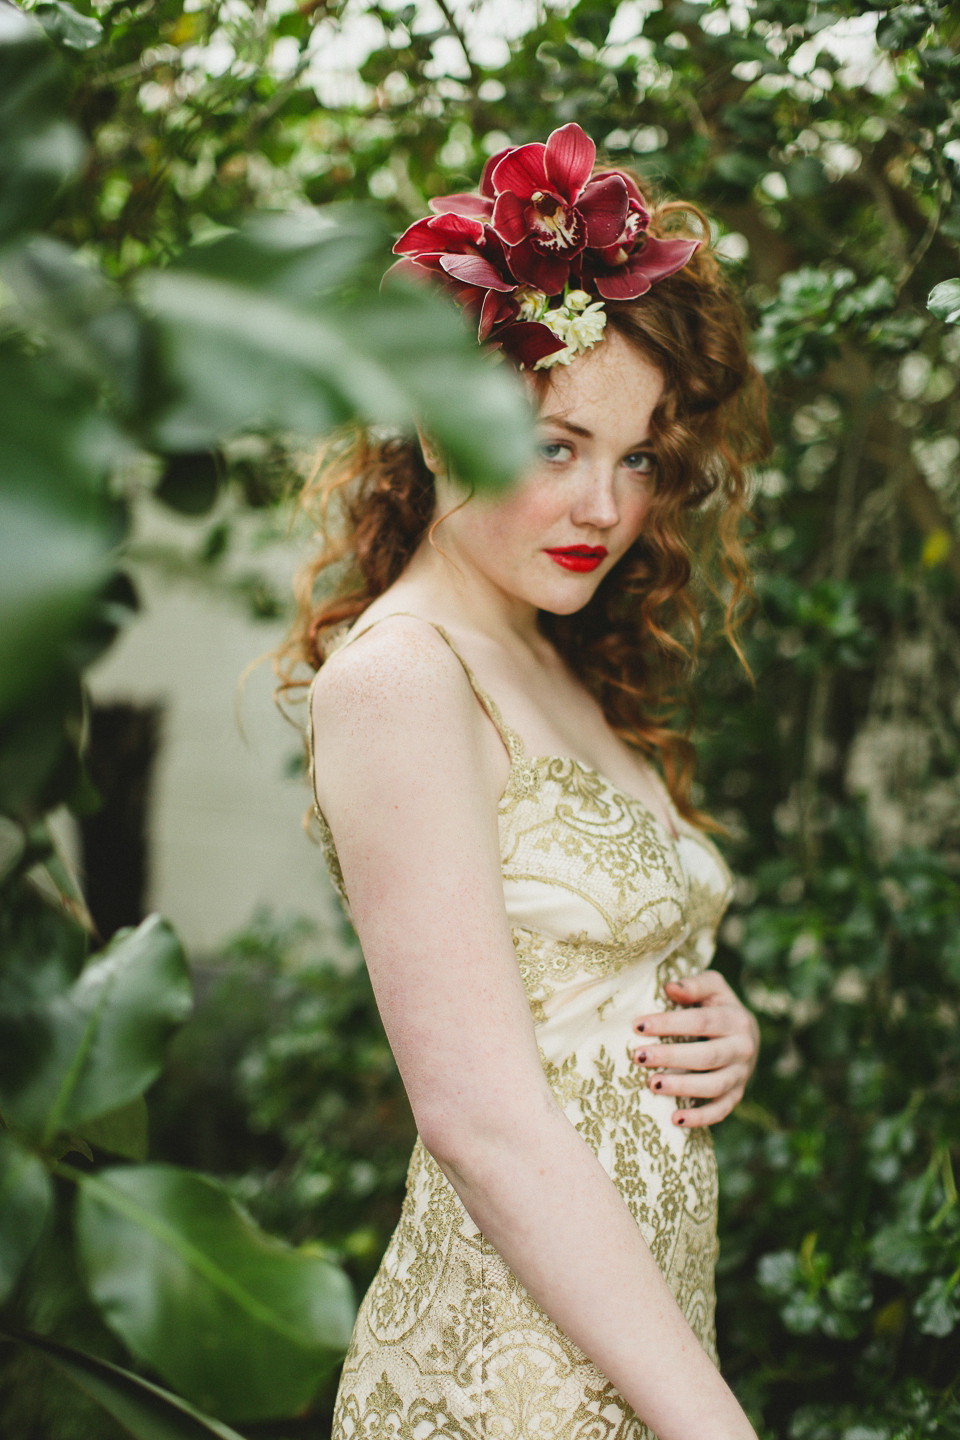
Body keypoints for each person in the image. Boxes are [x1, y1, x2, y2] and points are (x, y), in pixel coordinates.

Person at [282, 123, 768, 1440]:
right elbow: (483, 1118)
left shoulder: (548, 661)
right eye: (556, 445)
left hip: (637, 1354)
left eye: (638, 457)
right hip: (503, 1381)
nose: (608, 507)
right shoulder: (402, 680)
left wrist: (721, 1027)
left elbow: (578, 992)